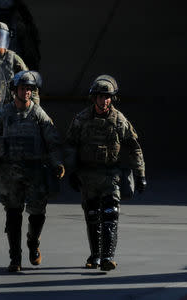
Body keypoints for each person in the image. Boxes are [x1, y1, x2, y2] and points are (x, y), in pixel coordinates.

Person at [0, 71, 64, 272]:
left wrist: (57, 163)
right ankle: (15, 258)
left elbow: (53, 141)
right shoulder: (4, 115)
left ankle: (33, 243)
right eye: (23, 88)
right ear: (15, 90)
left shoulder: (38, 114)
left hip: (35, 171)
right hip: (10, 171)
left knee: (37, 214)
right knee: (13, 214)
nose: (26, 92)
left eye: (29, 89)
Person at [65, 75, 146, 271]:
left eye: (108, 97)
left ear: (112, 99)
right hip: (88, 175)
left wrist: (140, 173)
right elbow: (70, 145)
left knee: (111, 213)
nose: (104, 101)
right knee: (92, 215)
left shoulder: (119, 120)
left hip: (111, 174)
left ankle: (108, 256)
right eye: (100, 97)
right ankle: (95, 256)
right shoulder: (82, 119)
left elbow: (133, 147)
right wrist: (71, 171)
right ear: (94, 98)